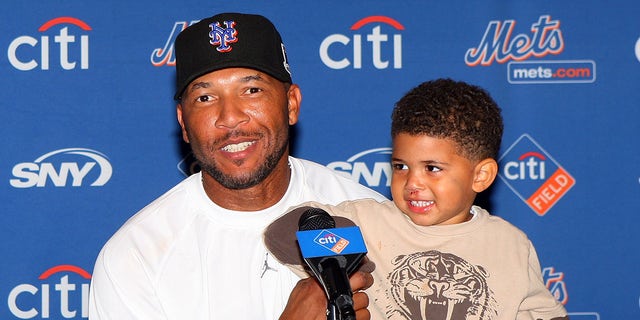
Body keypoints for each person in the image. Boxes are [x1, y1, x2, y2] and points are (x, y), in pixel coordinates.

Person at [88, 12, 386, 320]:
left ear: (291, 104)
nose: (230, 117)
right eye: (205, 97)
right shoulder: (135, 256)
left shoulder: (374, 221)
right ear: (184, 123)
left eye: (251, 90)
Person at [265, 79, 569, 319]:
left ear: (481, 176)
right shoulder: (368, 223)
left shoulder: (510, 243)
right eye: (401, 166)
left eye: (432, 168)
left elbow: (545, 313)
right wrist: (344, 255)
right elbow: (280, 234)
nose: (412, 182)